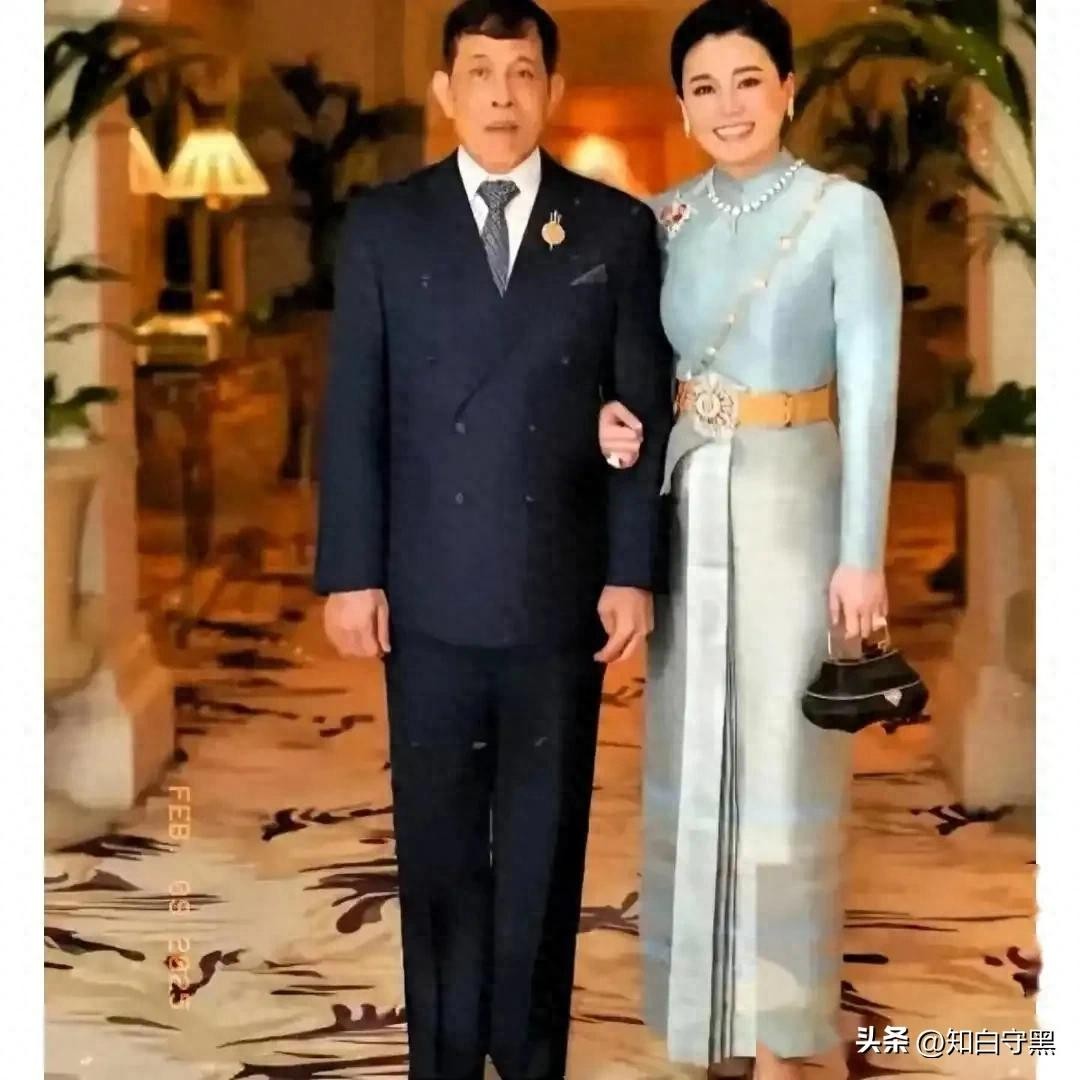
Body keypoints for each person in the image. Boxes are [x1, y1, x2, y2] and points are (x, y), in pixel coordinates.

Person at [314, 2, 673, 1078]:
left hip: (558, 589)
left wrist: (630, 570)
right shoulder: (386, 224)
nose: (503, 96)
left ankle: (528, 1060)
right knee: (436, 850)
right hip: (426, 589)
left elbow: (638, 410)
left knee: (543, 850)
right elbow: (355, 411)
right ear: (446, 91)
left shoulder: (613, 228)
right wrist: (351, 573)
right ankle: (443, 1060)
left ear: (552, 90)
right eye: (481, 72)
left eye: (523, 73)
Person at [598, 2, 901, 1077]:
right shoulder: (661, 218)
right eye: (704, 87)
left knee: (782, 770)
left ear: (787, 91)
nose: (728, 105)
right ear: (682, 107)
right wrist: (616, 416)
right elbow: (634, 367)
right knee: (695, 763)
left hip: (796, 512)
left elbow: (871, 393)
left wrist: (862, 552)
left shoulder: (843, 213)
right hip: (689, 507)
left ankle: (779, 1039)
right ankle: (707, 1020)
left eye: (748, 80)